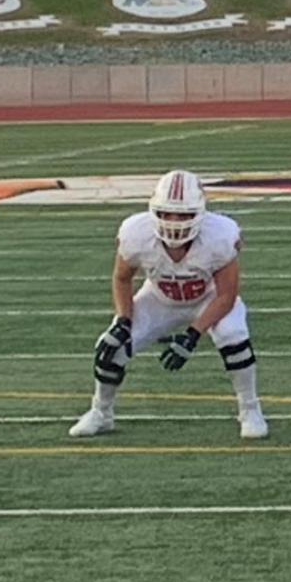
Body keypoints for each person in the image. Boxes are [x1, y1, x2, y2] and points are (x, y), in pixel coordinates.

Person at [71, 169, 267, 440]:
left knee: (233, 334)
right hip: (159, 298)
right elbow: (122, 278)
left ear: (200, 213)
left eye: (184, 214)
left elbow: (226, 296)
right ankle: (101, 412)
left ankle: (250, 410)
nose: (175, 221)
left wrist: (193, 335)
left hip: (209, 298)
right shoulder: (136, 233)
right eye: (167, 213)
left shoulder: (219, 235)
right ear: (154, 210)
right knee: (111, 346)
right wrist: (123, 320)